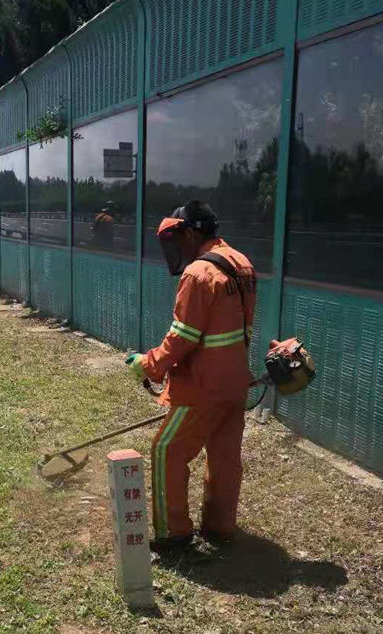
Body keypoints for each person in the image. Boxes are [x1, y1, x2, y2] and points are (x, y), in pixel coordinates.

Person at [126, 200, 256, 552]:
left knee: (166, 450)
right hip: (235, 383)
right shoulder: (242, 263)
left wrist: (148, 364)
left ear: (194, 233)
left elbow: (183, 336)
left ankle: (174, 535)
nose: (177, 247)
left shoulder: (198, 273)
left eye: (180, 238)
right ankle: (220, 526)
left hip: (203, 387)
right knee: (224, 456)